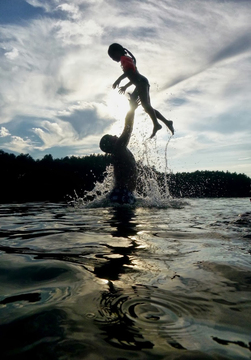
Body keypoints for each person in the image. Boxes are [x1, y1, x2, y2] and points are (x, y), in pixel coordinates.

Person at [108, 43, 174, 138]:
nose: (113, 60)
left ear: (117, 52)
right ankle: (167, 122)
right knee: (147, 107)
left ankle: (156, 124)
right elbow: (133, 77)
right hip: (139, 82)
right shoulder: (126, 59)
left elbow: (130, 72)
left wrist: (118, 80)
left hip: (141, 83)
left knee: (146, 106)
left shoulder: (124, 59)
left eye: (113, 57)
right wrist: (125, 86)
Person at [99, 97, 138, 205]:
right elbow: (128, 128)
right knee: (124, 221)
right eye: (113, 136)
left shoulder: (119, 151)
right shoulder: (119, 148)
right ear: (111, 143)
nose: (116, 135)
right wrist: (132, 109)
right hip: (122, 193)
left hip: (121, 193)